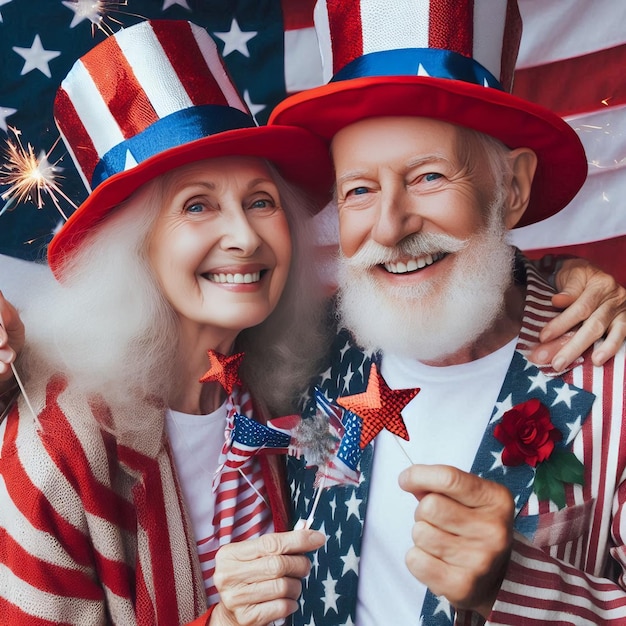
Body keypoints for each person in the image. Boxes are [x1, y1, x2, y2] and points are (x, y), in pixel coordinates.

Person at [267, 0, 626, 624]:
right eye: (358, 190)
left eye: (429, 177)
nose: (390, 225)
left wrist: (516, 588)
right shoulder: (307, 353)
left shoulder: (614, 374)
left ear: (510, 189)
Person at [0, 19, 335, 626]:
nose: (244, 235)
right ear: (136, 250)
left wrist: (561, 283)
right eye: (198, 205)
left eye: (261, 200)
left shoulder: (295, 375)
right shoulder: (59, 443)